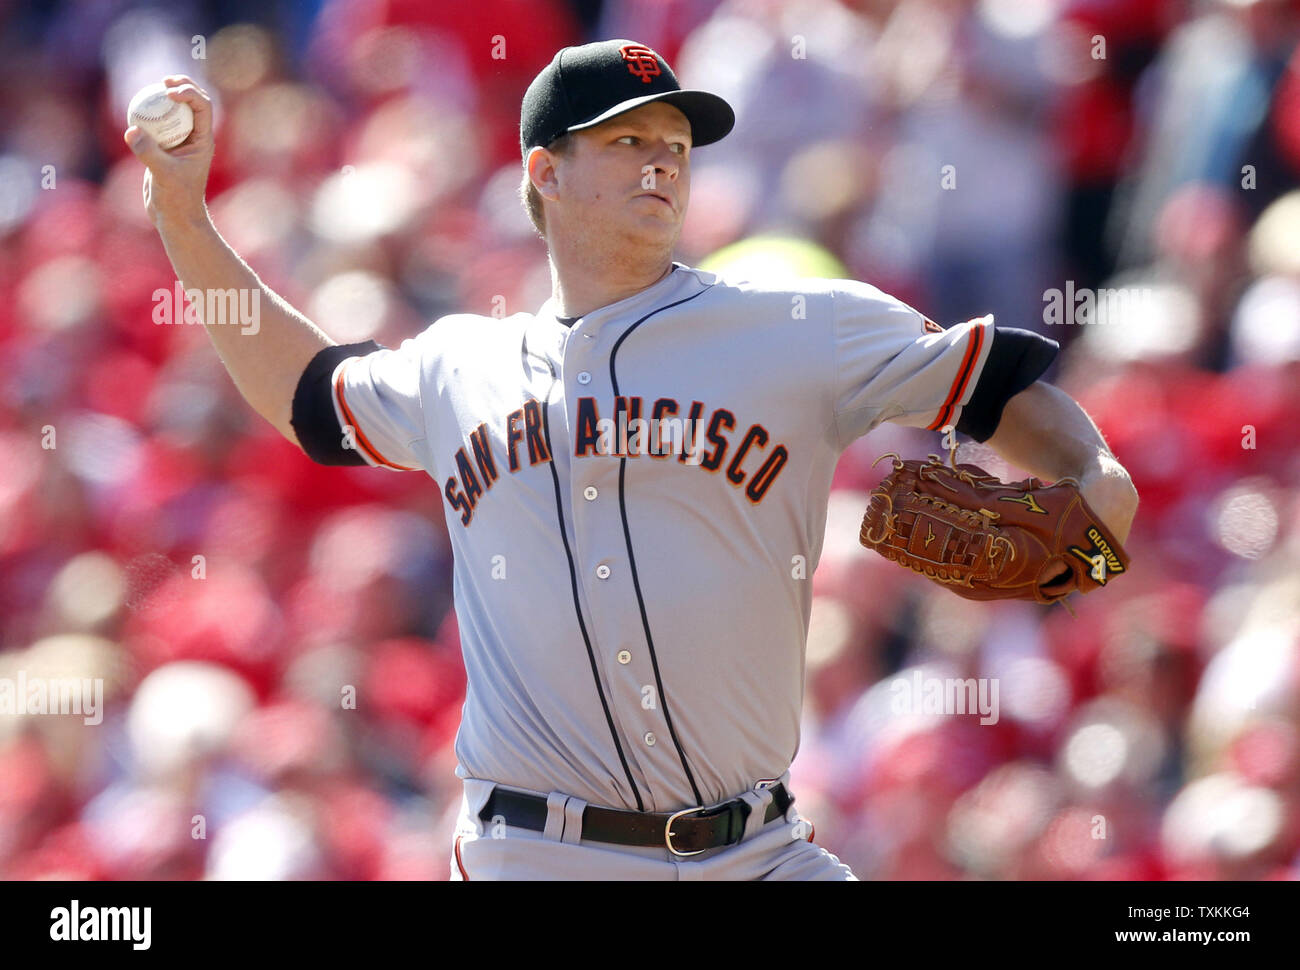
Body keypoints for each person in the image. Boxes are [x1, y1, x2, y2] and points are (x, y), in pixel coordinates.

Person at [125, 39, 1139, 881]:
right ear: (543, 170)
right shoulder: (459, 365)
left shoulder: (795, 325)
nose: (663, 159)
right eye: (627, 138)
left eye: (675, 141)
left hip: (760, 852)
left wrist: (1098, 492)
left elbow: (1005, 396)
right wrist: (183, 213)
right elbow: (307, 398)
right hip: (537, 853)